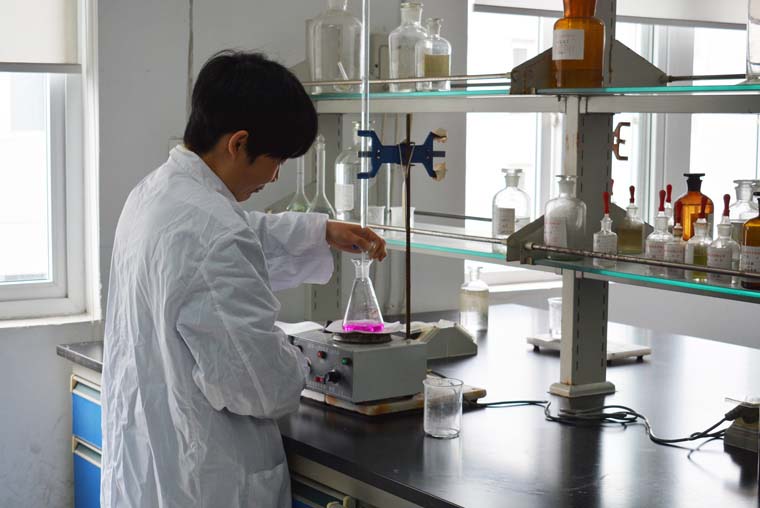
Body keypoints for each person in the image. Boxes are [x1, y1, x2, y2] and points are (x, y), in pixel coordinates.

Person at [101, 50, 386, 508]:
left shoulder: (155, 192)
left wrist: (320, 231)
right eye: (276, 160)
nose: (274, 177)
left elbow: (238, 234)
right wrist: (299, 359)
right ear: (238, 144)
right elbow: (262, 387)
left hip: (151, 455)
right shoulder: (210, 230)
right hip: (206, 479)